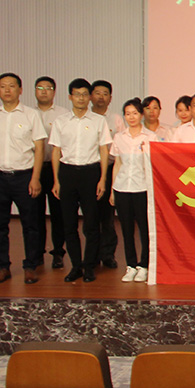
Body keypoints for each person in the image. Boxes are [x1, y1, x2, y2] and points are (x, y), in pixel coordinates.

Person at [0, 72, 47, 284]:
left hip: (24, 177)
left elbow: (39, 148)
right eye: (3, 86)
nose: (7, 90)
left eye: (12, 86)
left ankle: (30, 266)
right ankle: (2, 267)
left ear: (20, 90)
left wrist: (35, 178)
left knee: (31, 224)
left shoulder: (30, 115)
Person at [49, 78, 112, 283]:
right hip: (67, 173)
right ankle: (76, 266)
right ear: (70, 97)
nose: (81, 98)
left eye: (85, 94)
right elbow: (56, 151)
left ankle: (89, 266)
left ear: (89, 97)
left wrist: (102, 179)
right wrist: (57, 180)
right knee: (69, 224)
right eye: (77, 94)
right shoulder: (61, 121)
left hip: (91, 173)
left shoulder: (98, 121)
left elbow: (104, 150)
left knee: (92, 224)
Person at [110, 98, 155, 283]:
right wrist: (112, 190)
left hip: (142, 188)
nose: (131, 117)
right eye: (128, 114)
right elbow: (117, 163)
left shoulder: (150, 137)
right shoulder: (119, 137)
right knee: (126, 229)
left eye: (135, 113)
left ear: (141, 115)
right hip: (122, 187)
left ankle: (144, 265)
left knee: (144, 229)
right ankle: (130, 265)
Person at [33, 75, 67, 268]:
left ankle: (58, 252)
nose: (44, 91)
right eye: (40, 88)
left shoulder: (63, 114)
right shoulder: (28, 114)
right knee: (35, 213)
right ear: (34, 91)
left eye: (48, 88)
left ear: (54, 92)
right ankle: (37, 252)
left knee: (58, 214)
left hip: (58, 169)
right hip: (34, 169)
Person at [90, 79, 122, 269]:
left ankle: (108, 254)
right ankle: (92, 254)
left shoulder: (116, 119)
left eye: (105, 94)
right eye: (97, 93)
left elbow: (123, 144)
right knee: (91, 214)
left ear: (110, 98)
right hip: (90, 168)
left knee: (107, 214)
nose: (101, 97)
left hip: (110, 168)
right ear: (90, 96)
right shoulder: (85, 118)